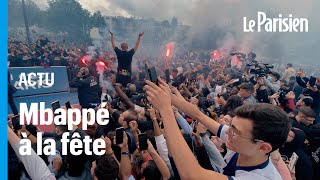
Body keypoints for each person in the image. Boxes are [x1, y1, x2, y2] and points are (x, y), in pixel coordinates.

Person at [144, 78, 291, 180]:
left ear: (263, 147)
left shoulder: (259, 177)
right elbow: (199, 116)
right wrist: (173, 99)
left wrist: (165, 111)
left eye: (235, 131)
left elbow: (192, 175)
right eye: (231, 125)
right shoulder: (243, 142)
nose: (227, 132)